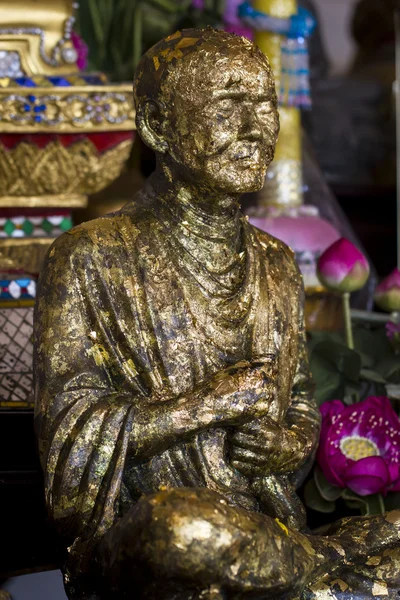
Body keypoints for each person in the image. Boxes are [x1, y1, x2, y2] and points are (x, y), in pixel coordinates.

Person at [34, 28, 400, 600]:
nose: (257, 130)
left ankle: (302, 578)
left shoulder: (276, 264)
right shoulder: (90, 258)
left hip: (264, 527)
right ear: (157, 126)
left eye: (265, 106)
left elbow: (299, 401)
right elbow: (71, 446)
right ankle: (327, 577)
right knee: (177, 528)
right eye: (230, 107)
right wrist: (206, 405)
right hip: (157, 535)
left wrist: (289, 444)